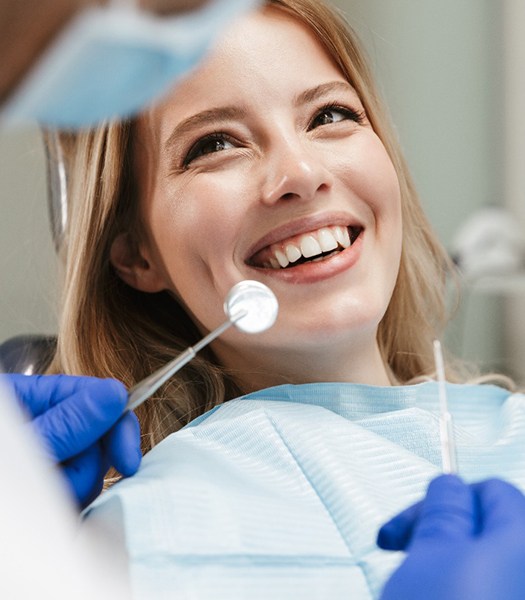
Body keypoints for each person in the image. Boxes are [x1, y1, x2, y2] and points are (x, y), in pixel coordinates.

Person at [43, 0, 525, 597]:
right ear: (137, 256)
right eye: (215, 144)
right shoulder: (120, 541)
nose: (300, 172)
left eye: (329, 114)